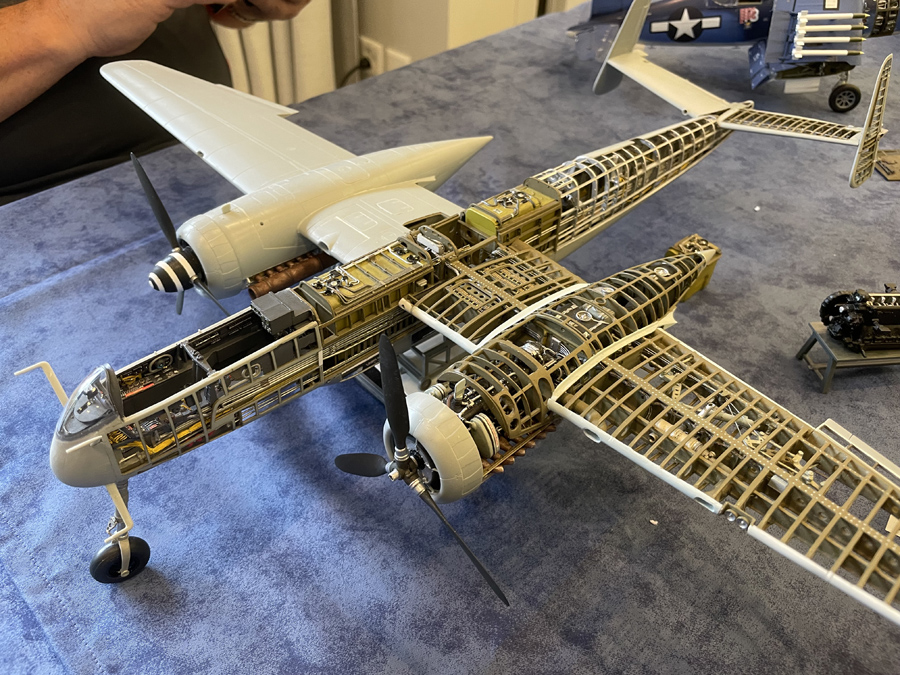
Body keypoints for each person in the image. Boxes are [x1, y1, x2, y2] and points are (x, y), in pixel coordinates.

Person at [0, 0, 310, 204]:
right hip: (45, 206)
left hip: (213, 160)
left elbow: (223, 14)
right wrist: (70, 20)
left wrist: (247, 7)